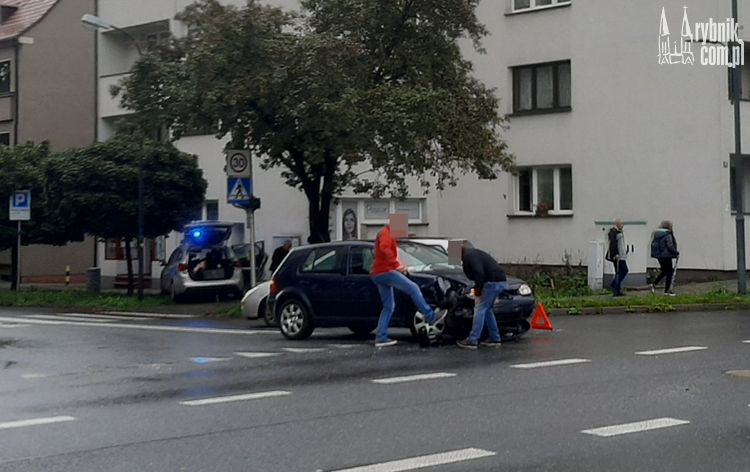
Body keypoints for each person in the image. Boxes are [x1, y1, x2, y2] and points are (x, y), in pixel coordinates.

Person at [370, 224, 443, 347]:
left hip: (378, 273)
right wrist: (397, 265)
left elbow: (384, 253)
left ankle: (381, 337)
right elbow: (385, 249)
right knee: (413, 288)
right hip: (385, 271)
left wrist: (400, 266)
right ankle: (431, 316)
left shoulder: (386, 233)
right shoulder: (386, 233)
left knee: (388, 306)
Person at [456, 245, 507, 350]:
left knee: (480, 308)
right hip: (499, 281)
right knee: (487, 309)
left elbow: (479, 273)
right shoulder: (472, 253)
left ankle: (472, 340)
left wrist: (477, 289)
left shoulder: (469, 256)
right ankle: (495, 338)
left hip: (491, 282)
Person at [650, 220, 679, 296]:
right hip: (666, 256)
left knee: (664, 271)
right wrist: (676, 252)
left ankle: (654, 284)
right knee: (669, 272)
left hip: (659, 256)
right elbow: (670, 246)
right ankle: (667, 290)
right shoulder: (667, 234)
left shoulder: (657, 234)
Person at [606, 219, 628, 297]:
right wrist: (616, 254)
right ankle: (614, 284)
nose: (623, 226)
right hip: (618, 257)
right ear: (618, 224)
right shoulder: (614, 232)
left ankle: (617, 290)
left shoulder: (617, 232)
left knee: (618, 272)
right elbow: (613, 244)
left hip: (621, 255)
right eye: (622, 224)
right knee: (624, 270)